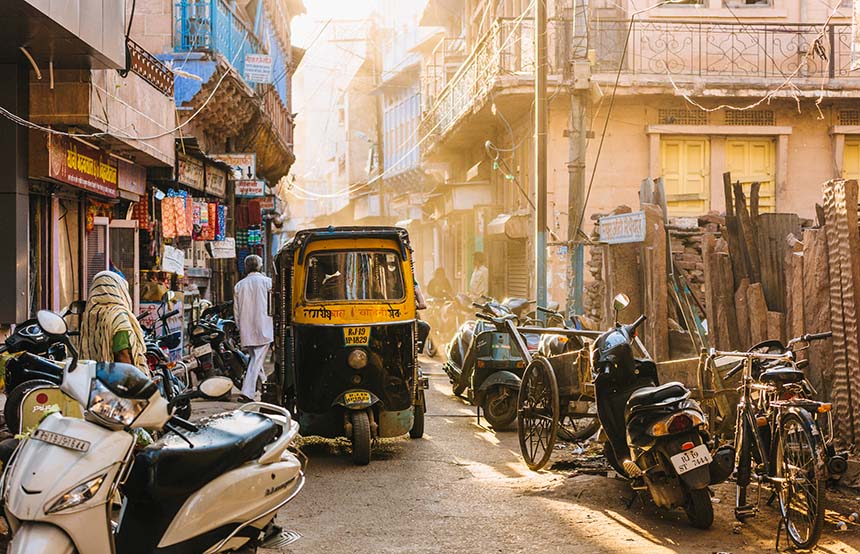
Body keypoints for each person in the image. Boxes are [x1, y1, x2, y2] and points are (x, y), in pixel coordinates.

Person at [80, 270, 149, 372]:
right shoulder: (117, 316)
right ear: (118, 289)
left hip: (93, 377)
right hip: (116, 379)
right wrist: (132, 379)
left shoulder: (91, 316)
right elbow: (122, 354)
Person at [234, 254, 273, 402]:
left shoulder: (239, 285)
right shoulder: (268, 282)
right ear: (260, 266)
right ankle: (247, 393)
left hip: (247, 330)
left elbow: (236, 311)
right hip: (265, 327)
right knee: (256, 361)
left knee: (255, 360)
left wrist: (240, 328)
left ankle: (265, 386)